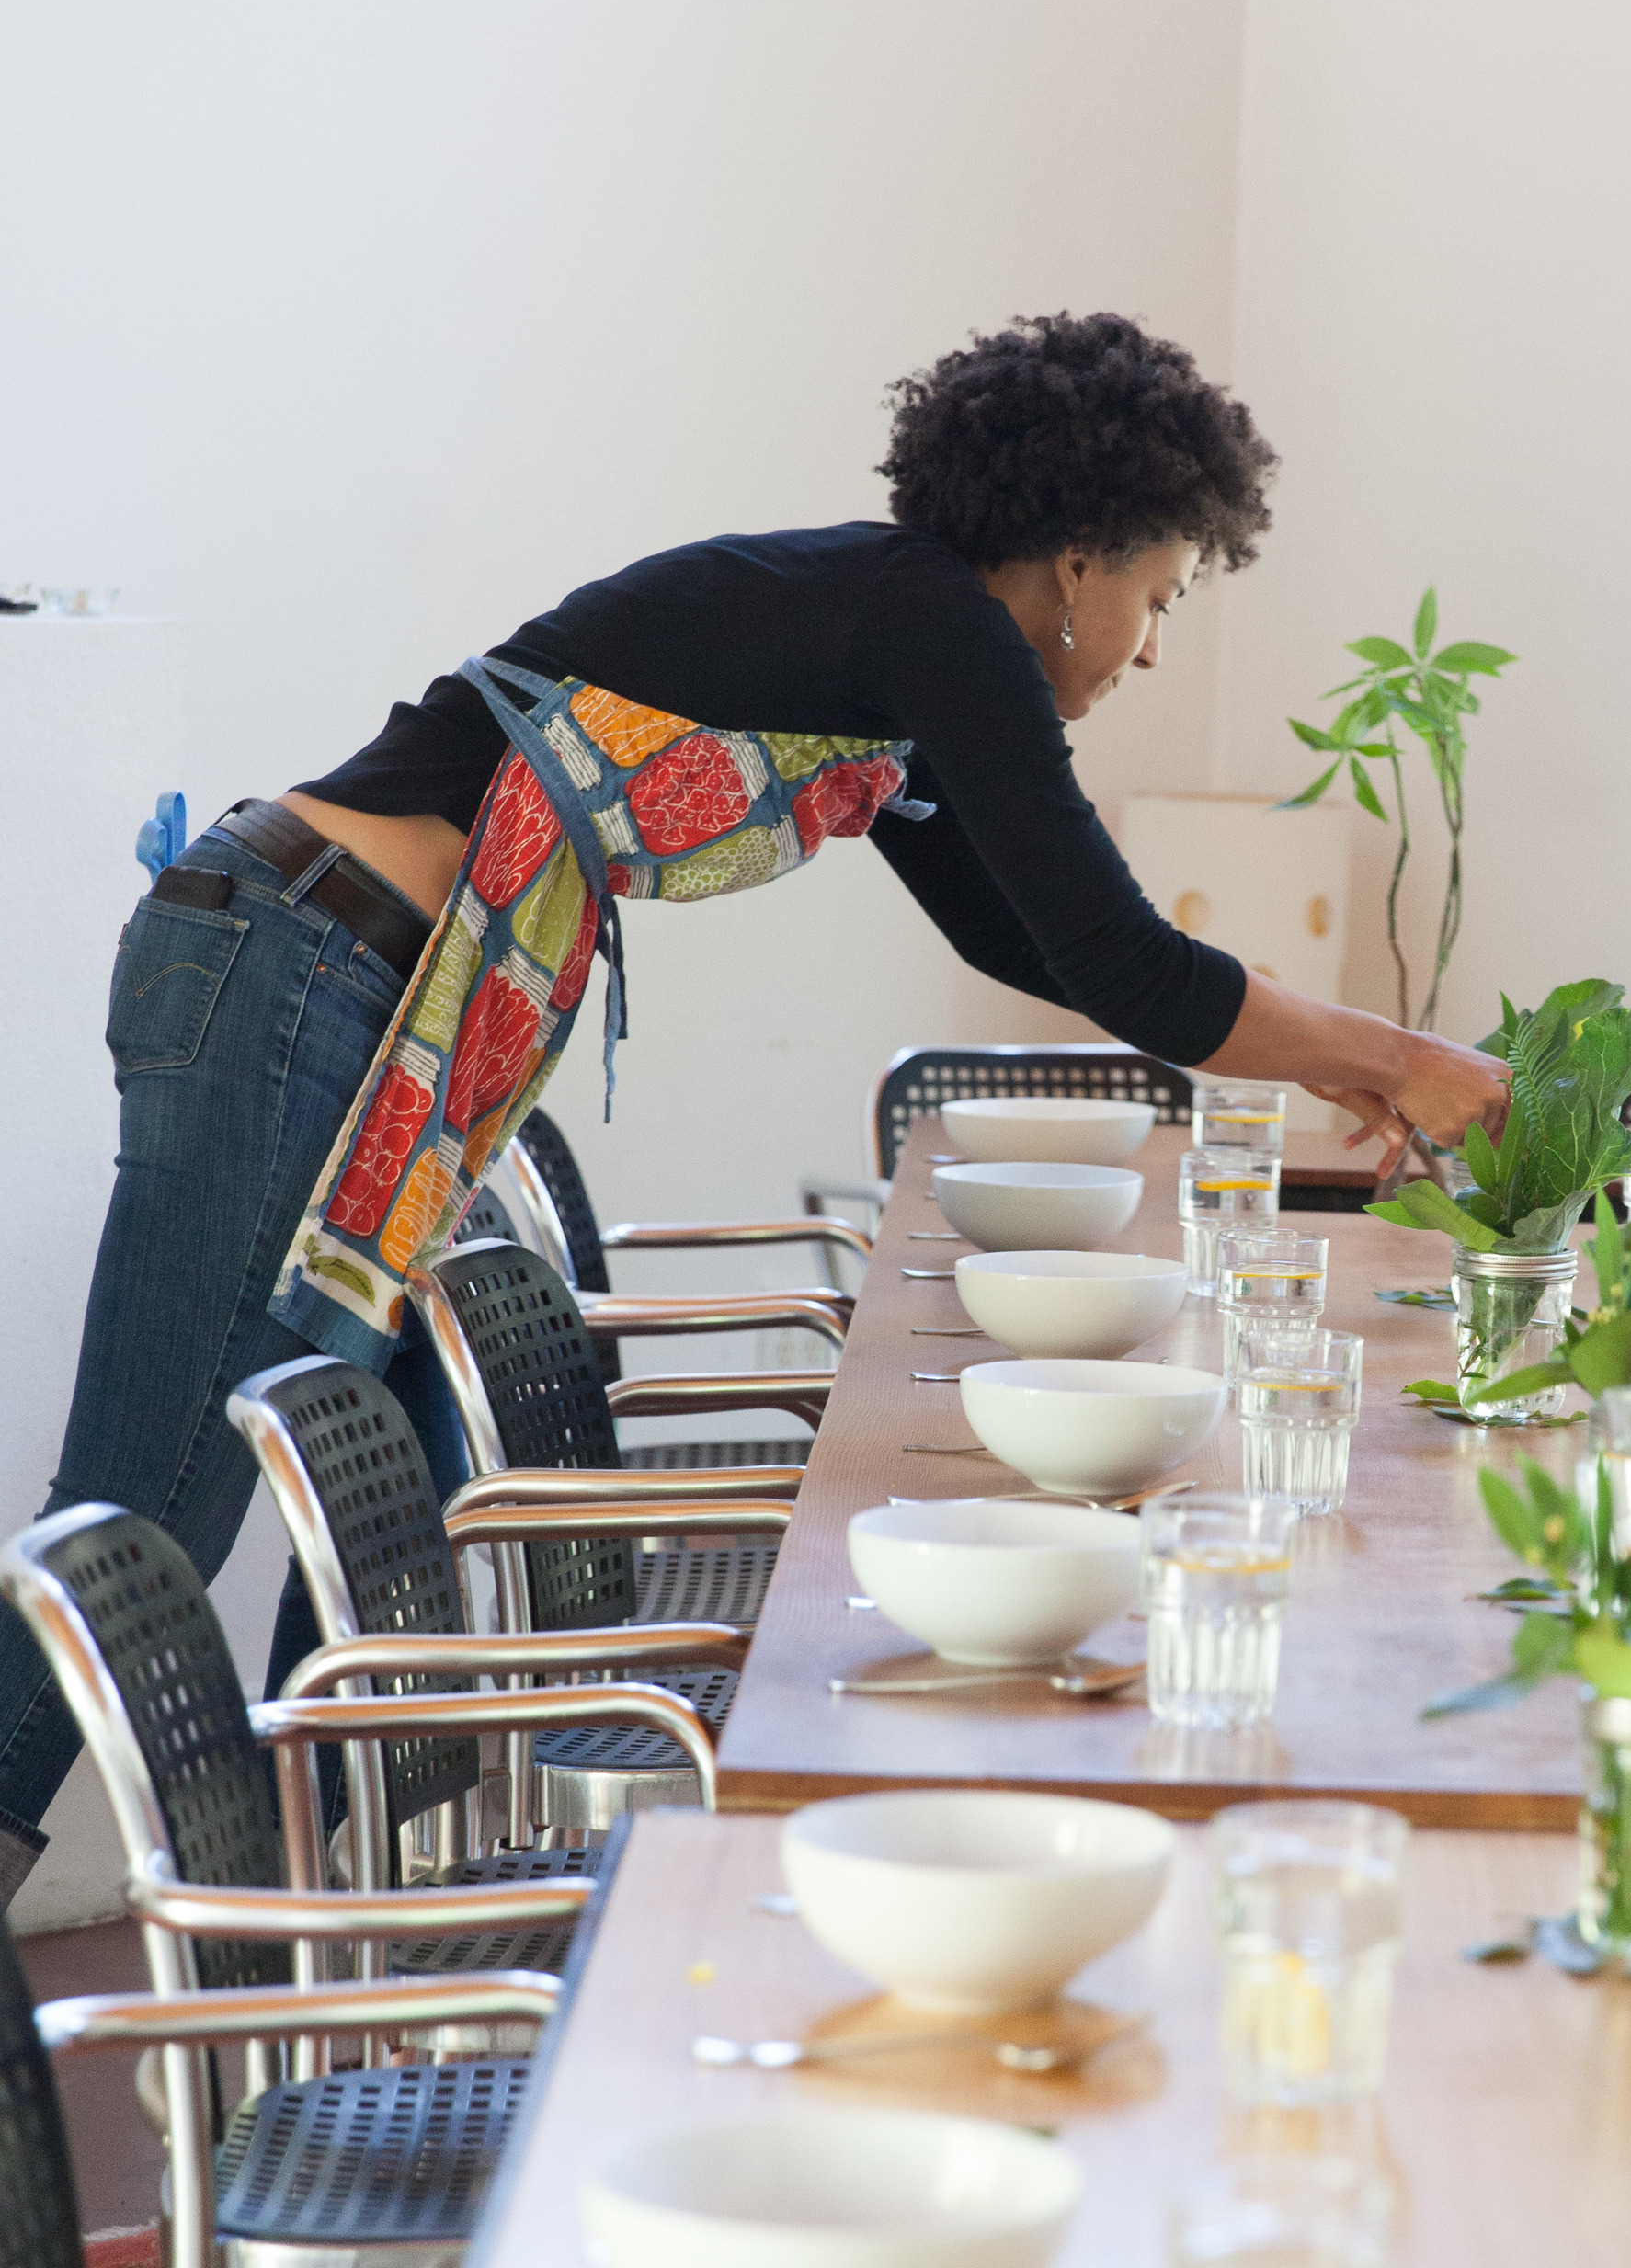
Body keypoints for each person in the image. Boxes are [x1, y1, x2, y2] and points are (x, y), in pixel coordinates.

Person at [0, 311, 1509, 1898]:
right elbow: (1119, 957)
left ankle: (332, 1910)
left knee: (372, 1469)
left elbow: (1024, 932)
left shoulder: (899, 648)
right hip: (293, 969)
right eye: (1158, 600)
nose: (1146, 650)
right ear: (1083, 556)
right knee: (148, 1504)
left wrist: (1353, 1056)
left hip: (341, 988)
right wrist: (1393, 1057)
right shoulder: (932, 624)